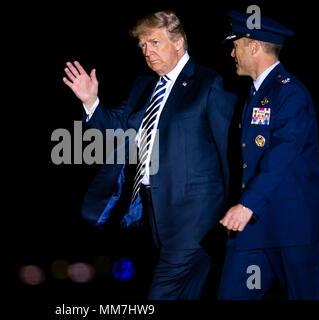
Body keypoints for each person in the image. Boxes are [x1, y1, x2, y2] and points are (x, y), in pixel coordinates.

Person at [63, 10, 236, 300]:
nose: (147, 52)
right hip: (151, 213)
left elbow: (228, 150)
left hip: (195, 218)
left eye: (154, 42)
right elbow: (116, 128)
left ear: (179, 42)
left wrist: (235, 207)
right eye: (142, 45)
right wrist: (91, 101)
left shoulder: (210, 83)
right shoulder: (143, 86)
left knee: (161, 294)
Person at [218, 10, 319, 299]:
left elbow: (283, 153)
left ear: (254, 46)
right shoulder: (256, 94)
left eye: (237, 45)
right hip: (255, 226)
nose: (232, 53)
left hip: (291, 226)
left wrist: (246, 205)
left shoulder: (290, 93)